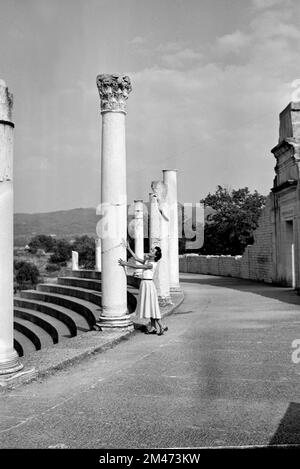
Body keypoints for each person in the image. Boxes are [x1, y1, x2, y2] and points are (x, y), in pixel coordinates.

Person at [118, 243, 168, 335]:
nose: (151, 250)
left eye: (153, 251)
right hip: (145, 284)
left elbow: (137, 266)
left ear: (155, 255)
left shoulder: (152, 264)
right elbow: (136, 258)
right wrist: (129, 248)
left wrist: (125, 264)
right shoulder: (147, 261)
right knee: (150, 306)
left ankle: (162, 326)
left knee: (152, 306)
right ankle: (153, 327)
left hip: (148, 284)